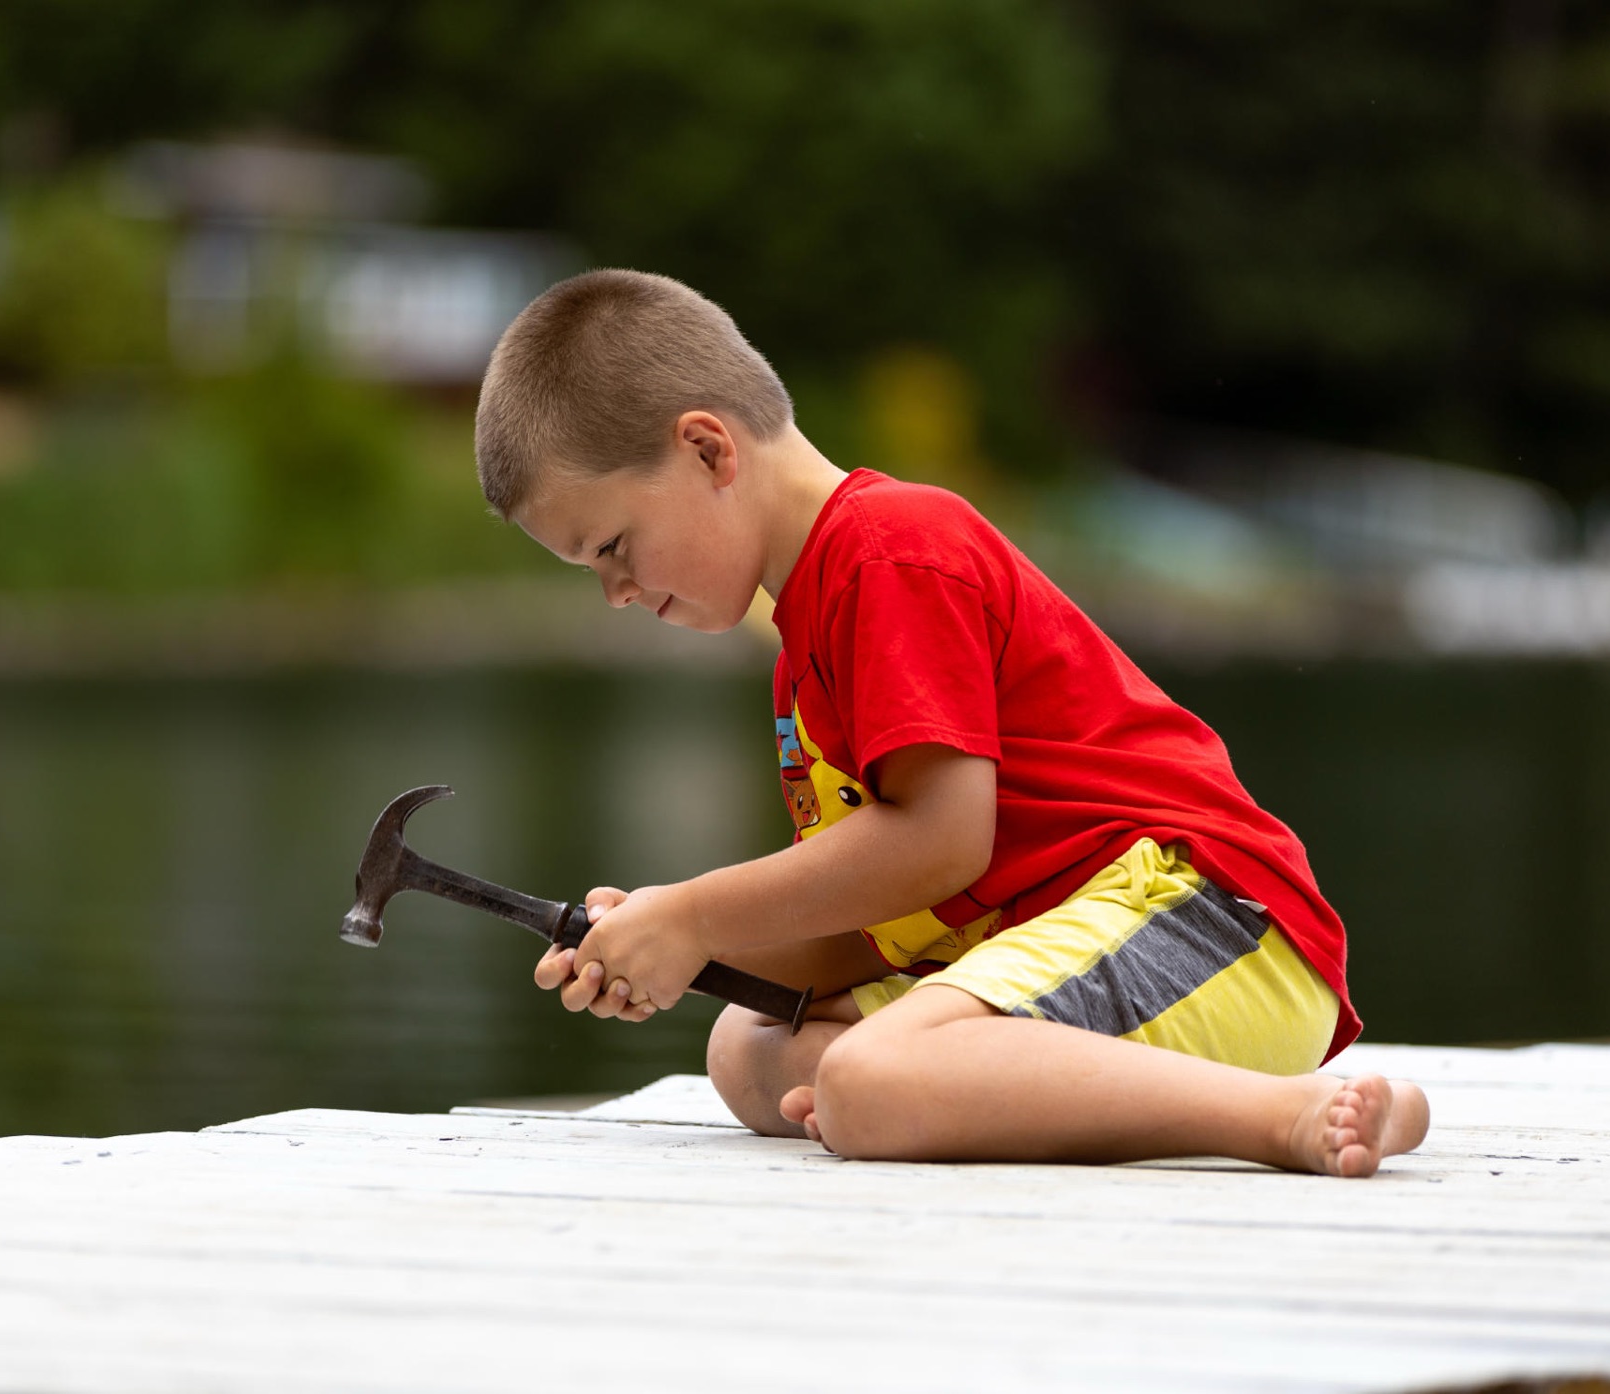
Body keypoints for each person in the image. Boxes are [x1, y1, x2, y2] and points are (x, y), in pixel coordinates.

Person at [473, 268, 1430, 1176]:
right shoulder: (807, 641)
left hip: (1211, 926)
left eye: (613, 546)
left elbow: (940, 843)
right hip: (1054, 936)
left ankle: (1283, 1116)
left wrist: (697, 911)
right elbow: (882, 921)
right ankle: (937, 1091)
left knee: (868, 1081)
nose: (615, 591)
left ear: (708, 449)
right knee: (749, 1049)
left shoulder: (888, 552)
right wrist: (676, 943)